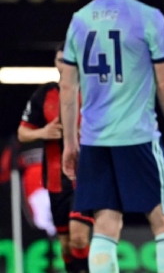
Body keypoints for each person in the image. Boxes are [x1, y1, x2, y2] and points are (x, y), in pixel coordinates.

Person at [59, 0, 164, 272]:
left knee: (105, 226)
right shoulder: (149, 17)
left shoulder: (79, 20)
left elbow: (68, 89)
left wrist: (71, 144)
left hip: (94, 141)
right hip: (138, 136)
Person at [17, 45, 93, 272]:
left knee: (79, 236)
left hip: (86, 176)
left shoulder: (92, 92)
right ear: (55, 63)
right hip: (54, 179)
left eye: (69, 60)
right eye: (61, 60)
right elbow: (22, 132)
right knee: (66, 244)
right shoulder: (45, 94)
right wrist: (44, 132)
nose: (65, 65)